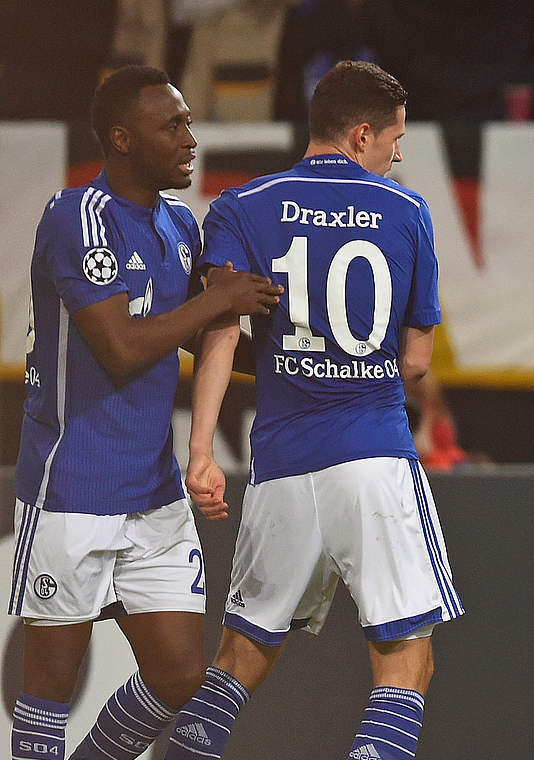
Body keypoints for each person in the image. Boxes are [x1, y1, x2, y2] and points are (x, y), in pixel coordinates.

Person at [164, 60, 458, 760]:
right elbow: (417, 362)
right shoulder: (407, 211)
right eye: (394, 140)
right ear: (361, 135)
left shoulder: (241, 205)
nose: (397, 156)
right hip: (374, 457)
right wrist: (354, 365)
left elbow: (218, 327)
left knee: (239, 658)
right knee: (405, 665)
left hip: (282, 465)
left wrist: (200, 451)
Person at [8, 64, 281, 760]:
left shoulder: (179, 222)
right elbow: (123, 348)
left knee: (179, 676)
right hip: (71, 488)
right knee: (48, 689)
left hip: (153, 492)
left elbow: (190, 331)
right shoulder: (77, 217)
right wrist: (217, 300)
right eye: (173, 126)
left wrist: (302, 362)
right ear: (123, 139)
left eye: (188, 122)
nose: (190, 139)